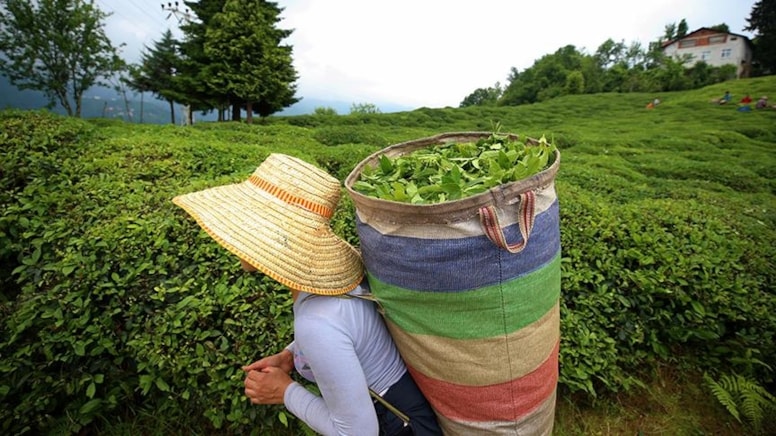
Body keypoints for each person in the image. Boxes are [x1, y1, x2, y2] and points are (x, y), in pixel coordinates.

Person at [172, 153, 442, 436]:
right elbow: (349, 333)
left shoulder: (316, 322)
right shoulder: (333, 290)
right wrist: (291, 356)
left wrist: (284, 391)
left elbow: (356, 432)